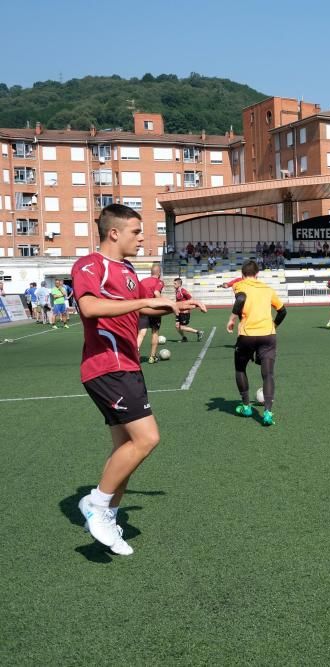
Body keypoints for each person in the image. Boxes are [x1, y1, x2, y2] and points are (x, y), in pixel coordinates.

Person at [72, 204, 206, 555]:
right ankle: (96, 505)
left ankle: (108, 515)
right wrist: (142, 301)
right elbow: (90, 307)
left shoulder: (128, 269)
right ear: (113, 232)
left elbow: (140, 306)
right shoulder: (90, 265)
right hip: (107, 366)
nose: (142, 237)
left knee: (125, 449)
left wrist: (172, 305)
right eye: (136, 231)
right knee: (147, 439)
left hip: (128, 366)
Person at [228, 260, 287, 427]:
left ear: (242, 274)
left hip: (247, 335)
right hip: (268, 335)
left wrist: (232, 319)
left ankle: (246, 406)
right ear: (257, 273)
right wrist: (273, 325)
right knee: (268, 374)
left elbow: (240, 299)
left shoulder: (240, 285)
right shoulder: (268, 289)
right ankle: (267, 413)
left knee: (240, 368)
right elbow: (283, 311)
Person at [137, 265, 165, 363]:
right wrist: (164, 302)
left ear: (151, 272)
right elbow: (157, 292)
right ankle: (152, 357)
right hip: (153, 309)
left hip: (143, 308)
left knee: (142, 332)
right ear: (159, 273)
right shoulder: (159, 282)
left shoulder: (143, 281)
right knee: (155, 332)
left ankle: (135, 352)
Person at [172, 278, 204, 342]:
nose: (173, 285)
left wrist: (188, 308)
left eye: (175, 284)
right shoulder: (177, 291)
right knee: (177, 326)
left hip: (185, 313)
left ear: (179, 284)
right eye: (173, 283)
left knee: (181, 327)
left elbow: (191, 299)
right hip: (179, 312)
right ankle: (184, 338)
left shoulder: (183, 291)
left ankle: (198, 332)